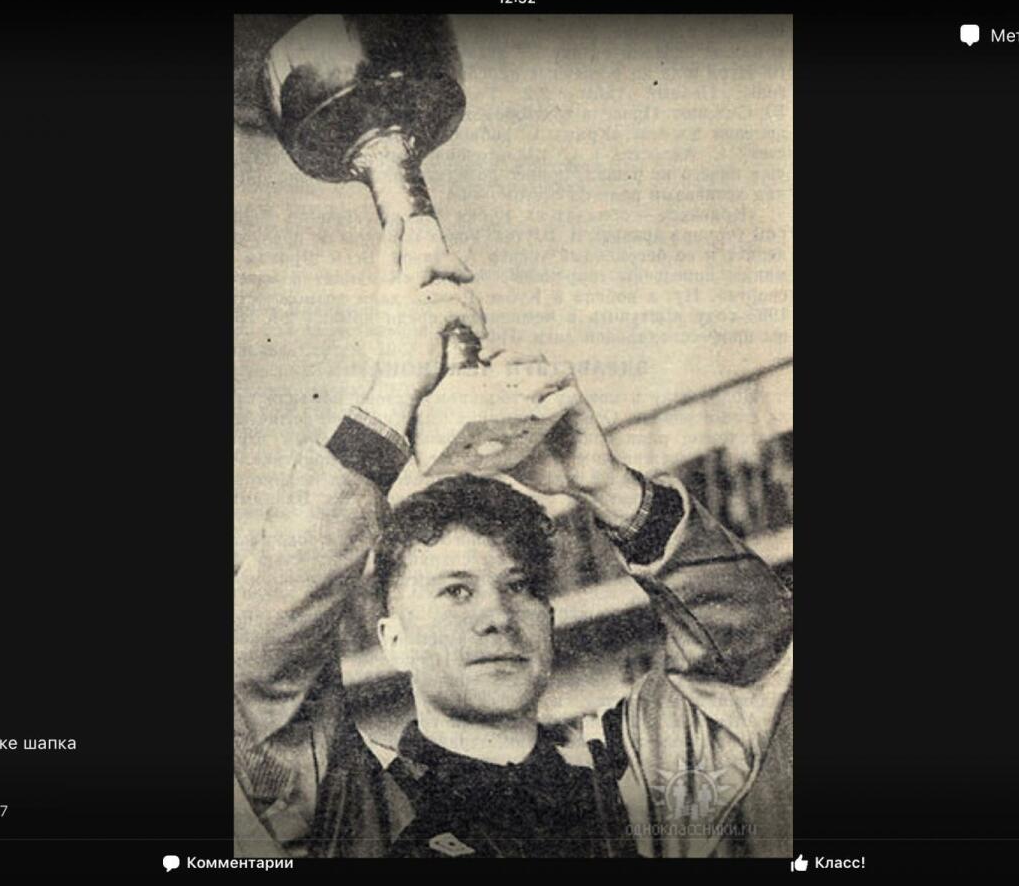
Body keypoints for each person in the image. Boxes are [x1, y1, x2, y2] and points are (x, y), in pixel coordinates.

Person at [233, 217, 793, 858]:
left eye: (520, 587)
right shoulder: (353, 813)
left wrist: (606, 485)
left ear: (550, 619)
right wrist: (394, 389)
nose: (498, 616)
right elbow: (251, 663)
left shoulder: (639, 780)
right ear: (394, 640)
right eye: (455, 591)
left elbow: (755, 643)